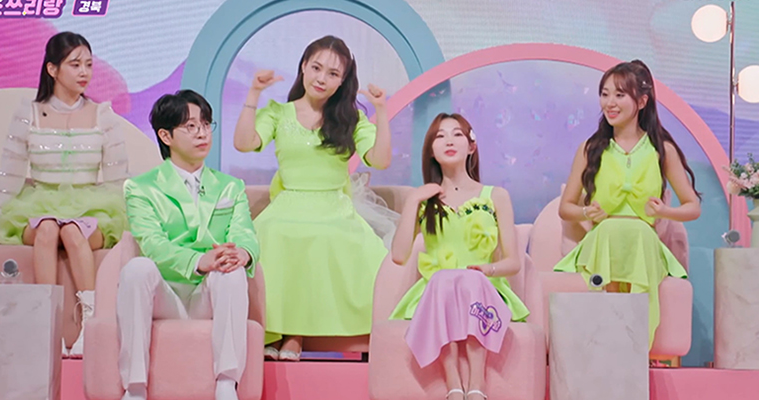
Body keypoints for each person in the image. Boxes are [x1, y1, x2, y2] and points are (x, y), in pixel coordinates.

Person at [233, 35, 393, 361]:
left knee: (327, 237)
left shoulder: (351, 119)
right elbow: (244, 143)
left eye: (333, 74)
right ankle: (273, 332)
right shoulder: (279, 112)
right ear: (304, 66)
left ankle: (295, 336)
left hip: (333, 206)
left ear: (343, 81)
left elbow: (380, 160)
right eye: (316, 68)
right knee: (272, 234)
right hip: (288, 203)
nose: (322, 78)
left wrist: (381, 111)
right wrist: (254, 93)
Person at [0, 31, 129, 357]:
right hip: (39, 204)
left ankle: (90, 322)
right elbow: (9, 175)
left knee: (73, 231)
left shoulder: (103, 115)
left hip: (90, 208)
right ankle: (47, 326)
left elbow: (118, 179)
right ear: (52, 69)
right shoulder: (28, 113)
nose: (84, 72)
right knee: (47, 229)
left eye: (89, 64)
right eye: (75, 64)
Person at [117, 90, 259, 400]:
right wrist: (199, 260)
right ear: (165, 136)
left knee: (233, 270)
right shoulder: (141, 188)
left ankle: (226, 384)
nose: (202, 134)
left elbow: (244, 232)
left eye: (206, 125)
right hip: (165, 292)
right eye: (191, 126)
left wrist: (242, 253)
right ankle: (135, 388)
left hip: (209, 292)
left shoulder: (230, 186)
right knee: (136, 268)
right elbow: (153, 245)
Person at [554, 60, 701, 348]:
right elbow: (565, 208)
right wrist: (586, 211)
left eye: (619, 95)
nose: (610, 103)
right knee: (604, 307)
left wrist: (664, 212)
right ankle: (604, 353)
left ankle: (633, 353)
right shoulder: (590, 149)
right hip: (603, 241)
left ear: (642, 101)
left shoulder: (661, 150)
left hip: (643, 243)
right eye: (605, 94)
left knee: (639, 254)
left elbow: (692, 206)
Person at [389, 113, 529, 400]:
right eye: (440, 136)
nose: (449, 141)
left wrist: (486, 270)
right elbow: (399, 255)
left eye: (457, 134)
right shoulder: (425, 200)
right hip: (436, 291)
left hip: (483, 287)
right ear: (431, 150)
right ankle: (453, 384)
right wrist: (413, 200)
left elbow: (513, 262)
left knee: (469, 281)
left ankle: (477, 384)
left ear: (471, 146)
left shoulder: (495, 196)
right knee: (444, 281)